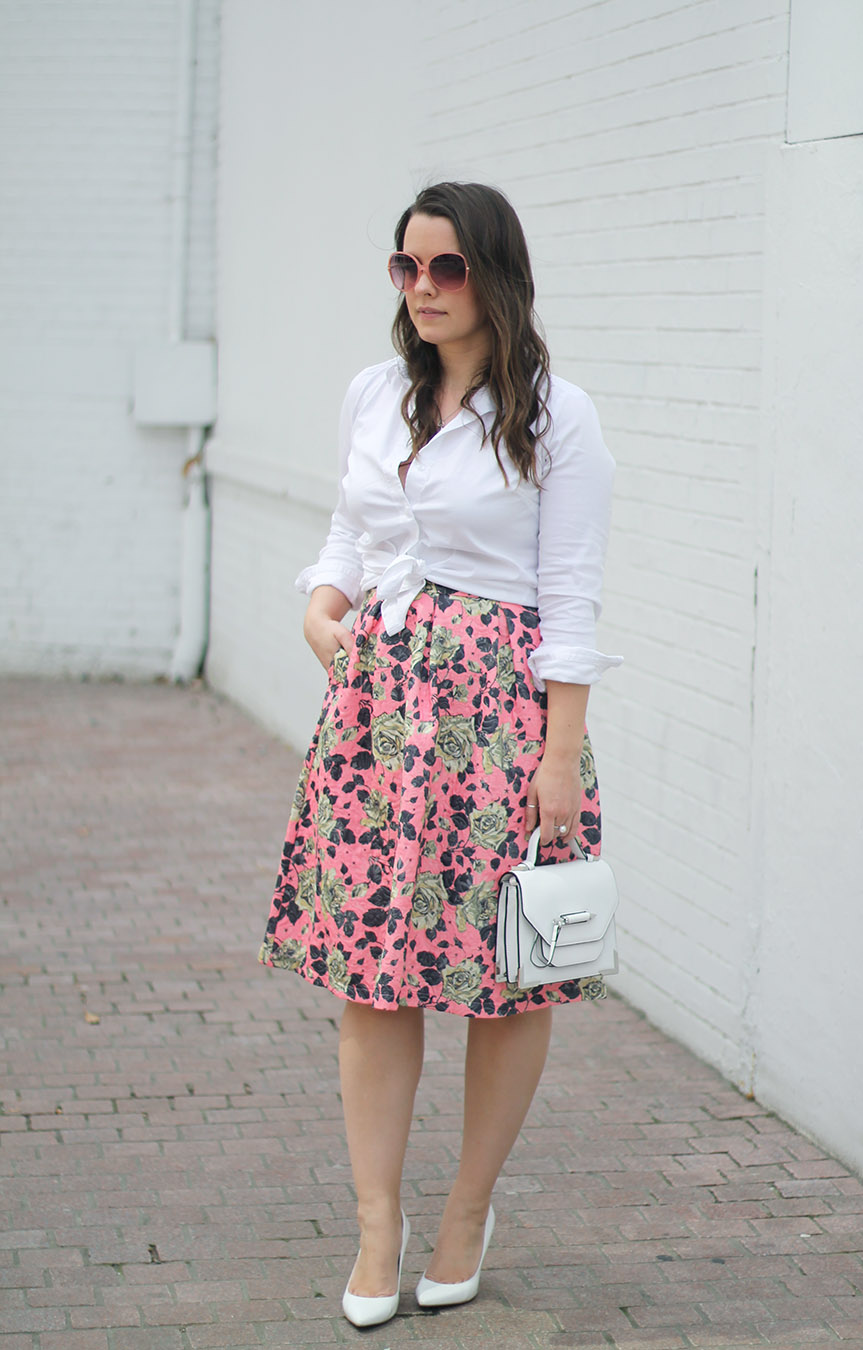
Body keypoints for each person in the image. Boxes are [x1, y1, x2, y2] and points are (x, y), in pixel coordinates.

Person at [258, 181, 622, 1328]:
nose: (421, 288)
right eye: (405, 267)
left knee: (505, 980)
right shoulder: (376, 393)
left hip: (502, 724)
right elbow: (352, 533)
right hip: (378, 713)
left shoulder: (557, 415)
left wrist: (559, 763)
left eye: (447, 269)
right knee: (375, 971)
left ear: (496, 275)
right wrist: (323, 607)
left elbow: (568, 601)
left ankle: (467, 1212)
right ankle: (378, 1226)